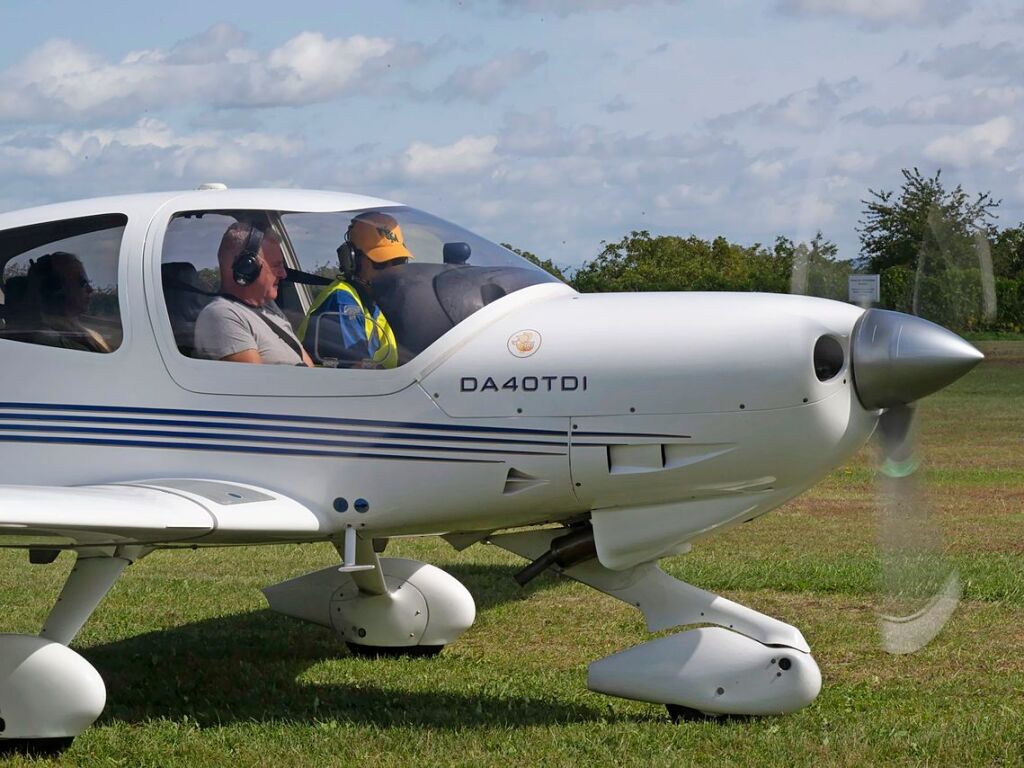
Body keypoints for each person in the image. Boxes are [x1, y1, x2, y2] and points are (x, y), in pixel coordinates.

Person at [298, 211, 408, 369]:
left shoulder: (380, 300)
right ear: (352, 260)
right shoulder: (342, 301)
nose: (391, 270)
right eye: (381, 263)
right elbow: (360, 373)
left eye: (398, 261)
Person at [194, 221, 313, 366]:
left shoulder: (269, 307)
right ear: (247, 268)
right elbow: (255, 384)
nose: (283, 274)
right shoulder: (221, 315)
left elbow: (308, 367)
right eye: (276, 266)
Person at [13, 251, 112, 353]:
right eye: (83, 282)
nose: (91, 290)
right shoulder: (50, 342)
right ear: (54, 288)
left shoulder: (86, 333)